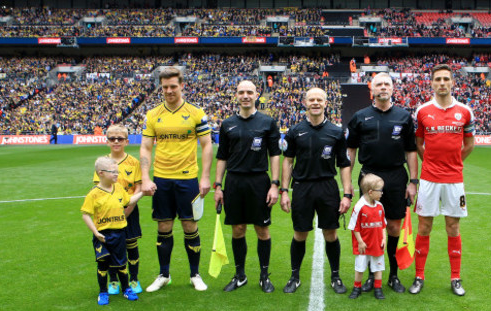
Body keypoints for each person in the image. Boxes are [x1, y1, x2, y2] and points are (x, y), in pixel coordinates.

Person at [140, 67, 212, 293]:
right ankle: (164, 274)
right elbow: (145, 147)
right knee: (164, 226)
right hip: (161, 179)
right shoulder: (152, 114)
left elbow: (207, 144)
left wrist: (206, 177)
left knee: (190, 226)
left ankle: (195, 274)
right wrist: (144, 178)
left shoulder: (196, 113)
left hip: (187, 179)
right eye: (165, 87)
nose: (169, 91)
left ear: (182, 86)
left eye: (173, 86)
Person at [346, 72, 418, 294]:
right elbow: (350, 151)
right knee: (369, 228)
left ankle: (393, 275)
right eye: (379, 84)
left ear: (393, 88)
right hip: (369, 177)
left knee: (394, 226)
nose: (383, 87)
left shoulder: (404, 117)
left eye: (387, 83)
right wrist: (348, 182)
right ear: (372, 89)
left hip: (397, 176)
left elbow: (411, 151)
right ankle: (370, 276)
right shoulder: (359, 117)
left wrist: (413, 181)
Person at [279, 87, 353, 294]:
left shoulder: (337, 132)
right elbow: (288, 161)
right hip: (302, 187)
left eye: (319, 99)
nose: (315, 103)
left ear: (326, 103)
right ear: (305, 103)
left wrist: (347, 193)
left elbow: (344, 164)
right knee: (300, 233)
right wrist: (284, 190)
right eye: (311, 99)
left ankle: (336, 276)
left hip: (327, 186)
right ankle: (295, 276)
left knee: (330, 232)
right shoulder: (295, 131)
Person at [410, 64, 475, 297]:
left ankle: (455, 278)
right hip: (428, 179)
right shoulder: (422, 111)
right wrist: (430, 163)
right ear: (432, 83)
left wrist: (454, 162)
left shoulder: (465, 111)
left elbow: (469, 144)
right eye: (438, 79)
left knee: (453, 227)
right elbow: (418, 144)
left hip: (454, 179)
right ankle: (419, 276)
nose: (442, 83)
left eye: (446, 79)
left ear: (452, 83)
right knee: (424, 226)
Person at [213, 80, 281, 293]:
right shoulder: (227, 124)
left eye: (249, 92)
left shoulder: (267, 122)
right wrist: (218, 185)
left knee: (262, 229)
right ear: (236, 95)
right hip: (233, 182)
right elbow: (222, 157)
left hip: (259, 182)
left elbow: (275, 155)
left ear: (256, 95)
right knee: (238, 229)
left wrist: (274, 184)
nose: (245, 95)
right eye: (241, 92)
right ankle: (240, 275)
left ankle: (263, 275)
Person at [81, 156, 143, 305]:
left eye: (117, 172)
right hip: (102, 235)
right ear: (101, 173)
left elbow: (129, 201)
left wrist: (143, 193)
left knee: (122, 264)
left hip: (120, 233)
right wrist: (96, 232)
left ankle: (126, 289)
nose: (117, 175)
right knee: (103, 264)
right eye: (113, 172)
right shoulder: (93, 194)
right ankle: (103, 292)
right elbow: (85, 215)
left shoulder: (119, 189)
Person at [93, 125, 142, 295]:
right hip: (108, 215)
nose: (116, 141)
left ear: (126, 141)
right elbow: (98, 189)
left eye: (120, 138)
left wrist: (129, 208)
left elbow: (138, 187)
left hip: (130, 210)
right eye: (112, 138)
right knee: (112, 247)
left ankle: (134, 279)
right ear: (107, 141)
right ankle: (113, 281)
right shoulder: (103, 163)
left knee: (131, 244)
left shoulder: (134, 162)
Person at [347, 174, 387, 300]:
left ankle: (378, 288)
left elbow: (383, 225)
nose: (382, 193)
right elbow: (354, 227)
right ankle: (356, 288)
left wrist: (384, 238)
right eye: (380, 190)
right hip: (363, 245)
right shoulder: (359, 207)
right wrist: (360, 242)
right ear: (370, 192)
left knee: (378, 266)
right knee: (360, 267)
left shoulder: (380, 206)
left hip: (376, 243)